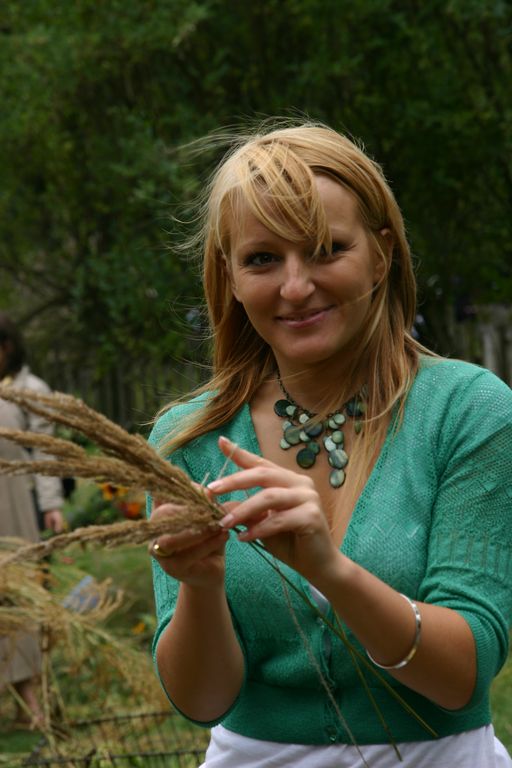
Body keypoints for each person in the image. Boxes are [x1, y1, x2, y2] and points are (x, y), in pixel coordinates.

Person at [147, 123, 512, 767]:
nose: (295, 287)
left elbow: (463, 674)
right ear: (229, 276)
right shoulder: (191, 439)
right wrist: (200, 585)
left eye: (326, 249)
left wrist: (329, 569)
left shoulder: (468, 413)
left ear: (382, 254)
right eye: (262, 259)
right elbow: (201, 700)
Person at [0, 313, 65, 729]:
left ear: (7, 347)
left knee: (18, 599)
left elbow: (45, 453)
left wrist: (51, 505)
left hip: (13, 510)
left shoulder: (30, 390)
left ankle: (31, 705)